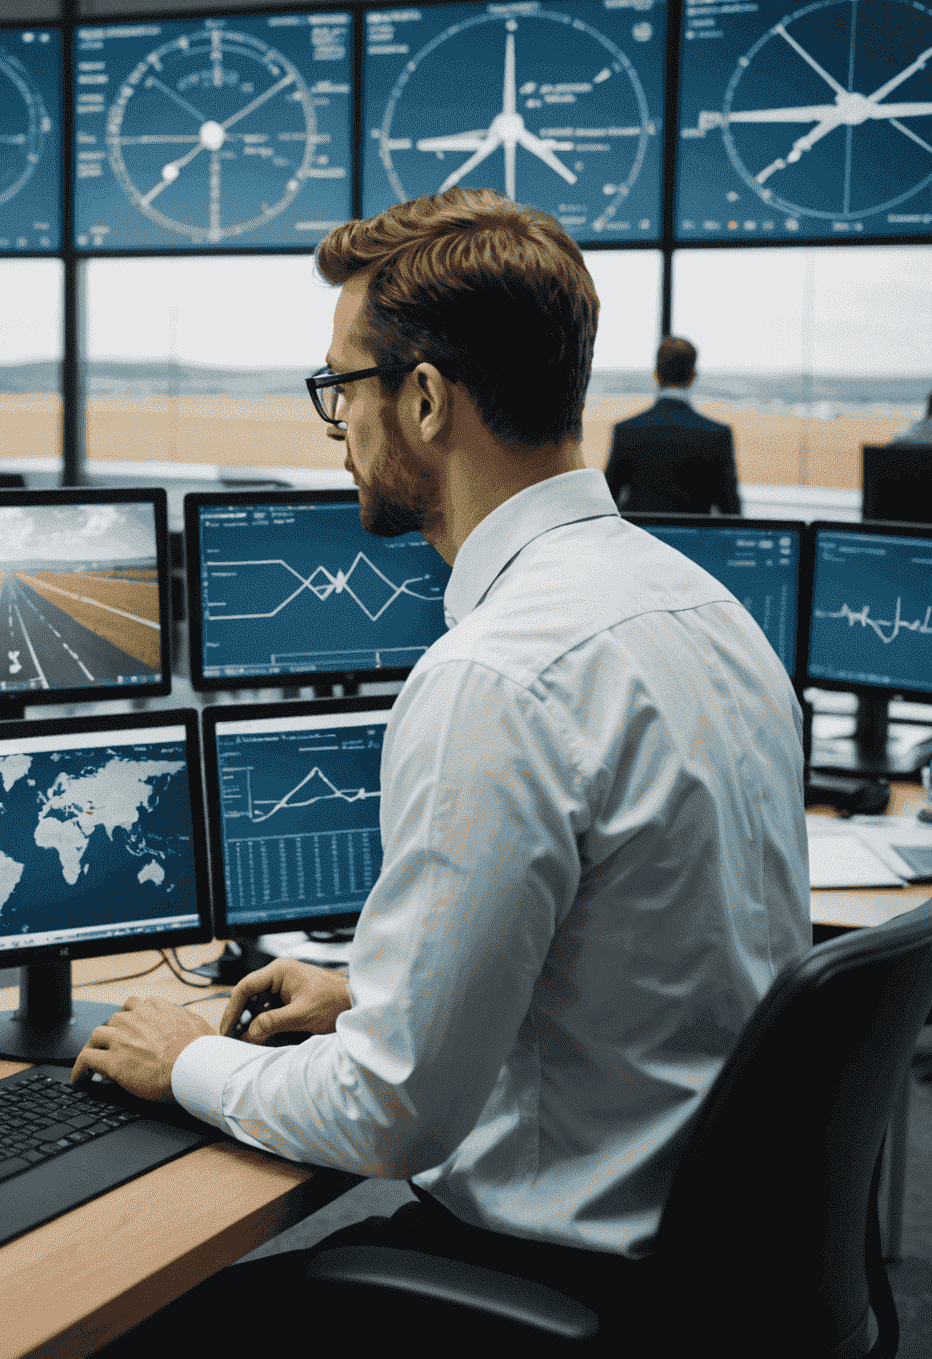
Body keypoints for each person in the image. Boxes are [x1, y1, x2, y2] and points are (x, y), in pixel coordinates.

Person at [72, 189, 809, 1354]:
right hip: (728, 1261)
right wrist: (374, 995)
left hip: (565, 1286)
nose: (336, 427)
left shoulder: (498, 677)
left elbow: (390, 1119)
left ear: (421, 399)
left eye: (341, 389)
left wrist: (190, 1059)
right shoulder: (701, 607)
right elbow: (646, 962)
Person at [603, 336, 742, 514]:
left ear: (656, 375)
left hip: (640, 538)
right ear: (693, 376)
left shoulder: (626, 431)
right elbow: (731, 510)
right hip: (691, 540)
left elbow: (607, 502)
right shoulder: (717, 434)